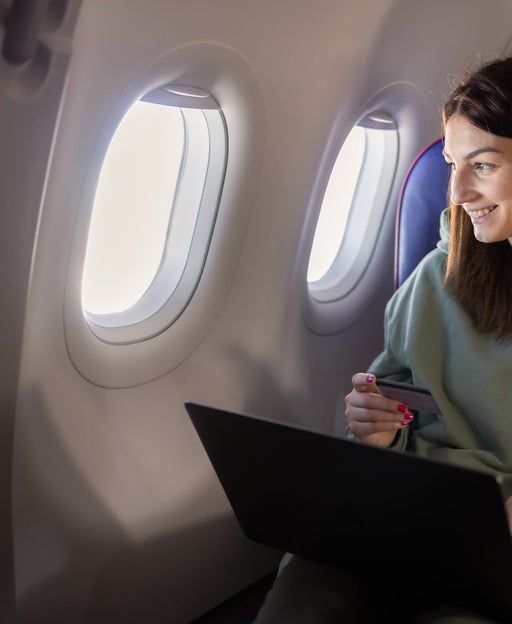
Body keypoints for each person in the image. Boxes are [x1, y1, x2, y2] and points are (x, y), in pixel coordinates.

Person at [254, 56, 512, 623]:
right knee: (303, 600)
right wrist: (373, 429)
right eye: (451, 164)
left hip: (497, 543)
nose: (459, 191)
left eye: (484, 165)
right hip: (405, 511)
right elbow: (390, 396)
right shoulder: (439, 279)